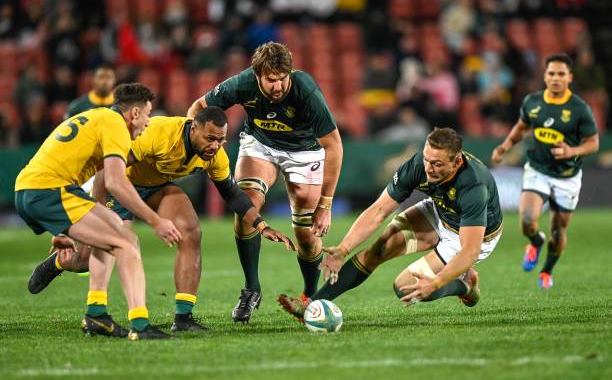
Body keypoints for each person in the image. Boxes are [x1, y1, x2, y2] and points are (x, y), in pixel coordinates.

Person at [28, 107, 296, 332]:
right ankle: (62, 261)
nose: (215, 146)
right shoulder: (159, 134)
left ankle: (183, 317)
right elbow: (106, 171)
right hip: (119, 185)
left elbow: (232, 194)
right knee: (92, 255)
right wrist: (96, 211)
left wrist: (262, 225)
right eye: (210, 139)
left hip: (155, 186)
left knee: (191, 230)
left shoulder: (216, 156)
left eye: (221, 140)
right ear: (194, 128)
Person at [187, 41, 343, 323]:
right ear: (257, 75)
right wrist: (192, 144)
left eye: (283, 78)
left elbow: (333, 145)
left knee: (307, 236)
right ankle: (251, 289)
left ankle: (310, 296)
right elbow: (198, 107)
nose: (278, 86)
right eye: (271, 80)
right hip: (261, 145)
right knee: (246, 209)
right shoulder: (242, 83)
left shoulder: (304, 89)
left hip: (304, 151)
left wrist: (326, 204)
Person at [278, 128, 503, 321]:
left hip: (471, 235)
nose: (428, 168)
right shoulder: (418, 166)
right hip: (440, 212)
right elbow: (378, 210)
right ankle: (311, 306)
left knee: (405, 287)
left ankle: (464, 285)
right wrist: (343, 250)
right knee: (380, 248)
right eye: (426, 159)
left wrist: (436, 283)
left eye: (437, 164)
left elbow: (470, 250)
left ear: (457, 162)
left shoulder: (474, 186)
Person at [15, 83, 181, 340]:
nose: (149, 122)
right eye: (148, 114)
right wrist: (155, 220)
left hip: (34, 189)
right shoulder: (116, 125)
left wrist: (83, 228)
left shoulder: (98, 117)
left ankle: (96, 313)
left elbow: (103, 180)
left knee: (115, 225)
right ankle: (140, 325)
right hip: (48, 190)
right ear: (134, 113)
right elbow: (116, 181)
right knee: (126, 244)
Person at [491, 53, 599, 289]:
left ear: (569, 77)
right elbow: (521, 127)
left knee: (558, 231)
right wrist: (505, 146)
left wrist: (572, 151)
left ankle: (547, 271)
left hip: (567, 177)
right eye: (551, 73)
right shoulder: (533, 102)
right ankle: (535, 241)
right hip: (537, 170)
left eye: (561, 74)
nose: (556, 78)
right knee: (528, 221)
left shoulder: (579, 109)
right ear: (545, 76)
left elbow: (593, 142)